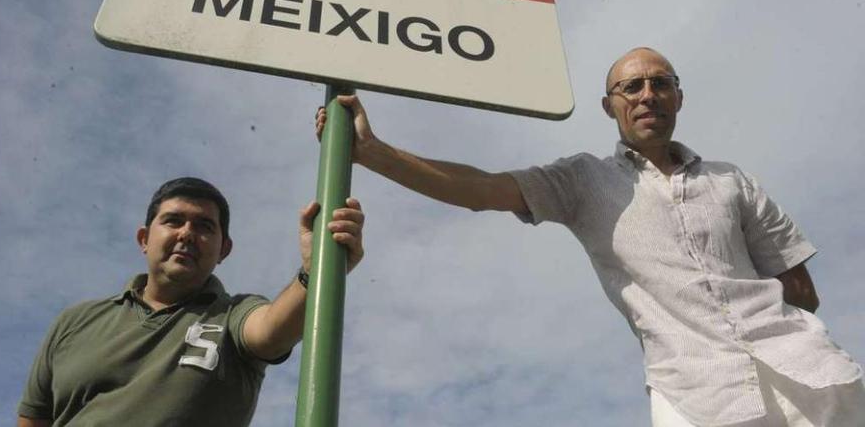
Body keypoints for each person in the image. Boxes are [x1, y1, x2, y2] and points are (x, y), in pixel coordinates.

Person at [316, 48, 864, 426]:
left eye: (662, 83)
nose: (648, 94)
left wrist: (795, 336)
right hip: (697, 396)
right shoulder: (582, 181)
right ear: (611, 106)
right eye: (632, 86)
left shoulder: (731, 178)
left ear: (678, 98)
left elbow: (799, 287)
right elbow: (481, 189)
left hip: (812, 378)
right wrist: (373, 152)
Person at [17, 177, 365, 427]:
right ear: (144, 238)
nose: (186, 233)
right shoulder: (75, 322)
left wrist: (314, 271)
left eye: (204, 226)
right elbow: (33, 419)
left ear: (224, 249)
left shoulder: (231, 315)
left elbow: (272, 331)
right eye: (173, 221)